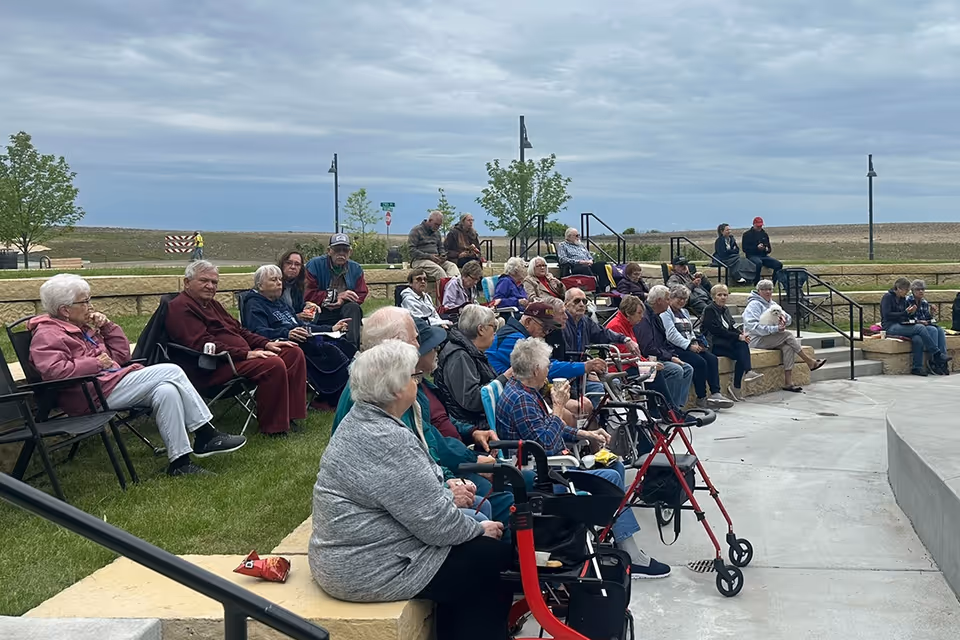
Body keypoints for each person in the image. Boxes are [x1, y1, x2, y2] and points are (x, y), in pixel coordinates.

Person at [309, 341, 513, 640]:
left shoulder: (363, 419)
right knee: (492, 560)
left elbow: (421, 502)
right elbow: (438, 526)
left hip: (355, 554)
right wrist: (478, 530)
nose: (416, 381)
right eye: (411, 377)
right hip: (364, 567)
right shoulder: (386, 438)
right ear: (394, 390)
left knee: (478, 558)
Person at [29, 274, 245, 476]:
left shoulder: (82, 328)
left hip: (109, 384)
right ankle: (206, 434)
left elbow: (122, 356)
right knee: (171, 370)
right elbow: (54, 373)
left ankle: (180, 463)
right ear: (65, 310)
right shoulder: (48, 335)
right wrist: (94, 363)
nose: (90, 306)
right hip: (88, 395)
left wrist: (107, 327)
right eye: (84, 301)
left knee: (166, 391)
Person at [495, 337, 671, 579]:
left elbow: (547, 429)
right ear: (536, 370)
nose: (549, 369)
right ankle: (632, 554)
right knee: (609, 476)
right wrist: (557, 406)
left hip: (546, 465)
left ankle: (614, 535)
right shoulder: (522, 400)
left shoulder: (525, 391)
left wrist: (583, 432)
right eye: (547, 365)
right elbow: (544, 443)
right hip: (541, 475)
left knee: (614, 466)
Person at [333, 308, 517, 528]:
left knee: (492, 500)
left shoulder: (397, 384)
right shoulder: (384, 394)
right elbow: (403, 472)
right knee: (493, 505)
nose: (421, 345)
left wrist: (470, 435)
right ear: (395, 344)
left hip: (421, 487)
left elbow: (426, 438)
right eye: (415, 338)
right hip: (382, 518)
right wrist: (449, 484)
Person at [166, 260, 307, 436]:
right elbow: (202, 344)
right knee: (272, 363)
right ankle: (274, 428)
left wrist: (265, 343)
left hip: (237, 358)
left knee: (293, 352)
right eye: (204, 281)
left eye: (214, 282)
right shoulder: (180, 307)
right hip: (212, 367)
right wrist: (246, 354)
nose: (210, 286)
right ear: (187, 282)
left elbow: (239, 330)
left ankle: (290, 416)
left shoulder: (212, 304)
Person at [243, 265, 355, 409]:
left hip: (303, 338)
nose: (279, 283)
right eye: (273, 280)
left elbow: (301, 325)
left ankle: (347, 392)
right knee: (330, 350)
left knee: (342, 343)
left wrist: (331, 328)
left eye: (279, 279)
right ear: (260, 285)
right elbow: (257, 332)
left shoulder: (279, 303)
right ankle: (329, 398)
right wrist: (287, 334)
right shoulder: (254, 304)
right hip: (285, 346)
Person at [486, 302, 607, 408]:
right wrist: (584, 366)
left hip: (514, 391)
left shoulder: (517, 334)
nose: (546, 333)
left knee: (580, 406)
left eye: (549, 329)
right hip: (505, 396)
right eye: (545, 327)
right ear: (528, 322)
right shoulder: (514, 339)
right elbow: (545, 367)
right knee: (578, 409)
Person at [435, 305, 511, 440]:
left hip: (480, 423)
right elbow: (472, 400)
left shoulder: (470, 351)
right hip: (473, 430)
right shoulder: (459, 356)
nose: (495, 332)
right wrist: (504, 379)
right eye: (494, 326)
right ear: (481, 329)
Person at [605, 294, 686, 413]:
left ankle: (662, 411)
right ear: (628, 313)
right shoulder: (616, 326)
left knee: (656, 371)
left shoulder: (628, 325)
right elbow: (628, 356)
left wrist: (647, 363)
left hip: (629, 365)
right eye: (639, 313)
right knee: (654, 373)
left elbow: (634, 355)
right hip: (620, 368)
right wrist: (648, 364)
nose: (641, 317)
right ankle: (670, 411)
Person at [743, 279, 826, 392]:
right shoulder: (753, 305)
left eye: (770, 289)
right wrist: (776, 328)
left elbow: (789, 319)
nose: (767, 292)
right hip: (755, 339)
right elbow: (753, 327)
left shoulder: (773, 304)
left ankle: (788, 382)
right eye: (764, 289)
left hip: (771, 338)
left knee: (788, 347)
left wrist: (783, 320)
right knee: (787, 335)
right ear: (758, 291)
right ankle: (809, 361)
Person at [661, 286, 734, 409]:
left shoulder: (684, 312)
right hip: (675, 348)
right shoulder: (666, 313)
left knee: (712, 359)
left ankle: (716, 393)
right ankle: (701, 397)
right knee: (699, 362)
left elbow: (690, 331)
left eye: (685, 299)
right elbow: (671, 334)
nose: (682, 301)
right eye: (679, 298)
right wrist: (688, 345)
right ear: (671, 298)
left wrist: (694, 342)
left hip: (690, 345)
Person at [635, 286, 695, 411]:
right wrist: (669, 357)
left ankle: (677, 407)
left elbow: (664, 341)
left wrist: (673, 356)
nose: (669, 302)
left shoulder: (656, 316)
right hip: (646, 360)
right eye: (667, 299)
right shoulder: (644, 318)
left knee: (687, 368)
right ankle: (668, 409)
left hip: (659, 355)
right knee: (676, 370)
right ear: (659, 301)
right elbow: (648, 348)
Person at [304, 233, 366, 348]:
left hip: (343, 310)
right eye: (337, 249)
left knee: (353, 308)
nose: (341, 253)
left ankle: (352, 349)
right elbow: (308, 294)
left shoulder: (355, 268)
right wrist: (336, 296)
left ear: (350, 252)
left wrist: (343, 300)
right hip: (319, 310)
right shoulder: (314, 265)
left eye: (345, 250)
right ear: (329, 251)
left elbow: (361, 293)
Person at [701, 284, 762, 401]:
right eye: (719, 295)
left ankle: (737, 387)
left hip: (726, 342)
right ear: (713, 297)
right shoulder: (709, 310)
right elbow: (716, 330)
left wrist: (742, 335)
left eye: (725, 295)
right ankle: (747, 372)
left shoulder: (725, 310)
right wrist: (737, 336)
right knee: (741, 348)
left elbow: (732, 325)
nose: (723, 297)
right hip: (713, 343)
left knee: (742, 348)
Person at [881, 277, 951, 377]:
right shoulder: (887, 297)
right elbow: (887, 314)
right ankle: (936, 354)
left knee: (918, 339)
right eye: (906, 290)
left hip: (902, 325)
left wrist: (909, 313)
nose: (907, 293)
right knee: (920, 327)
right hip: (890, 327)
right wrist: (905, 312)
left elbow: (905, 316)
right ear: (899, 288)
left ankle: (917, 367)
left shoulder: (902, 299)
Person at [906, 279, 950, 375]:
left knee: (940, 330)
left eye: (923, 289)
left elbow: (929, 319)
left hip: (925, 325)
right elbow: (906, 319)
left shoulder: (924, 302)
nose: (921, 291)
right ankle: (933, 360)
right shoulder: (908, 301)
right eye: (918, 289)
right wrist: (919, 322)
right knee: (933, 330)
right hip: (915, 327)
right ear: (913, 291)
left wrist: (932, 314)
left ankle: (942, 361)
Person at [409, 211, 461, 280]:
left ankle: (455, 286)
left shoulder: (437, 233)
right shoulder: (416, 230)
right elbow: (412, 250)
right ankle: (446, 289)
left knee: (452, 266)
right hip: (420, 260)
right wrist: (429, 256)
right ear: (430, 221)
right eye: (436, 224)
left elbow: (441, 247)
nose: (437, 227)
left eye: (439, 225)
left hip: (436, 260)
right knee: (439, 271)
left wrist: (442, 255)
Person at [741, 217, 782, 286]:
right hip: (752, 256)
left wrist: (765, 248)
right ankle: (756, 283)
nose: (759, 228)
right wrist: (756, 248)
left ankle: (773, 283)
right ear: (754, 224)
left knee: (778, 265)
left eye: (760, 226)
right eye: (758, 226)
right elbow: (745, 249)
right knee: (758, 263)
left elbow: (769, 249)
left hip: (763, 256)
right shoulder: (747, 235)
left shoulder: (764, 234)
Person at [277, 250, 309, 317]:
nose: (293, 267)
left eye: (297, 264)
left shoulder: (298, 285)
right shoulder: (273, 286)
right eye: (288, 263)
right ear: (282, 265)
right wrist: (297, 317)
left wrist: (308, 306)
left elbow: (299, 308)